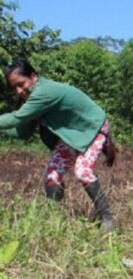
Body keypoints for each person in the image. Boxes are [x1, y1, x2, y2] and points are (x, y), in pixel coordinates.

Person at [0, 61, 117, 232]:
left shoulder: (44, 92)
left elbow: (16, 118)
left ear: (33, 77)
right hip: (71, 134)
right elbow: (22, 132)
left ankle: (107, 218)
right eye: (14, 88)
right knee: (52, 175)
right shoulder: (32, 101)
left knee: (82, 171)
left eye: (21, 84)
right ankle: (53, 218)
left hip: (92, 127)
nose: (19, 91)